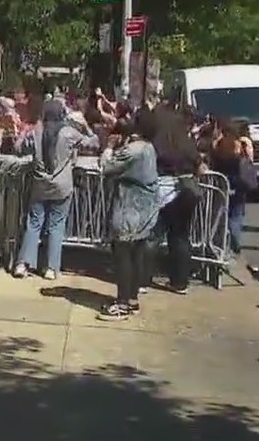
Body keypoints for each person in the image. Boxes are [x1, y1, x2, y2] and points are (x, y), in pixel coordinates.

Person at [13, 100, 100, 280]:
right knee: (56, 225)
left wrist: (22, 133)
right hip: (62, 186)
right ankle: (51, 268)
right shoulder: (69, 133)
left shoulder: (36, 132)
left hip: (39, 184)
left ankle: (23, 263)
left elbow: (18, 149)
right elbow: (94, 143)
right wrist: (85, 126)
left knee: (34, 223)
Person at [97, 110, 160, 321]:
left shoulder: (133, 150)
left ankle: (122, 303)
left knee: (122, 255)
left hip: (129, 209)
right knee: (136, 255)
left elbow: (105, 167)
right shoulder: (149, 148)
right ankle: (132, 299)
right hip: (146, 209)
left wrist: (109, 147)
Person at [151, 105, 203, 294]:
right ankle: (180, 282)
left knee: (152, 236)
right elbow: (199, 163)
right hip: (186, 192)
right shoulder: (185, 141)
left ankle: (141, 278)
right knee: (180, 237)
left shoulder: (159, 141)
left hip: (164, 190)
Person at [209, 125, 258, 256]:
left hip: (223, 183)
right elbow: (249, 161)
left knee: (224, 212)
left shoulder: (218, 145)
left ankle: (226, 242)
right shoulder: (241, 144)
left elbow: (213, 161)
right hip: (239, 183)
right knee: (237, 213)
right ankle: (235, 241)